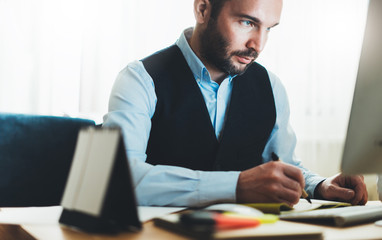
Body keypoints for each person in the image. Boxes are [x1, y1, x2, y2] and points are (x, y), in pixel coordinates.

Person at [103, 0, 368, 207]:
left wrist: (320, 185)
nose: (258, 45)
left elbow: (284, 164)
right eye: (247, 22)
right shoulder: (139, 79)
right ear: (203, 9)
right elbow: (119, 179)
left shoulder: (271, 86)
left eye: (268, 29)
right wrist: (236, 185)